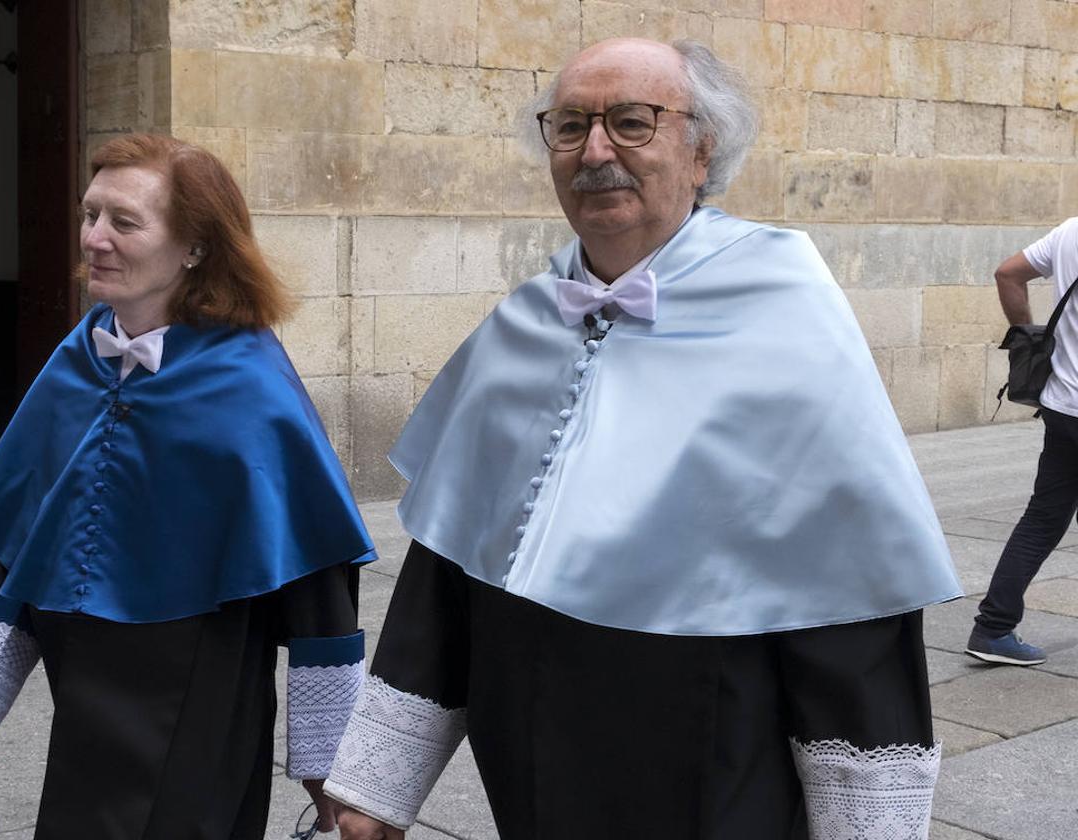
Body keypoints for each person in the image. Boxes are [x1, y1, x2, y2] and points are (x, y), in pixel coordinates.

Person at [325, 39, 962, 840]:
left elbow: (848, 601)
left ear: (703, 151)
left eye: (632, 123)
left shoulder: (786, 313)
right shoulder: (525, 319)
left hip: (708, 762)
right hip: (527, 766)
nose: (596, 152)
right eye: (569, 126)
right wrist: (378, 792)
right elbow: (446, 572)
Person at [0, 134, 375, 838]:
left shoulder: (251, 385)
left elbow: (319, 580)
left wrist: (333, 772)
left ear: (195, 246)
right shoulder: (79, 353)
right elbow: (25, 527)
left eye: (124, 222)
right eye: (90, 214)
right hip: (85, 688)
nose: (94, 239)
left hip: (199, 689)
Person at [965, 222, 1078, 666]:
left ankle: (992, 628)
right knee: (1043, 519)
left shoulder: (1071, 231)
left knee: (1042, 519)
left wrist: (1029, 335)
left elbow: (1007, 273)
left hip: (1064, 404)